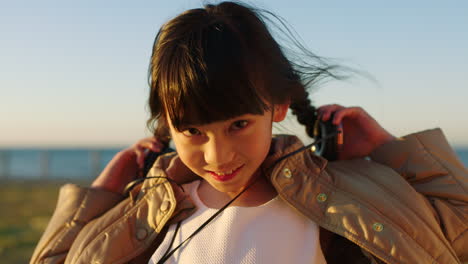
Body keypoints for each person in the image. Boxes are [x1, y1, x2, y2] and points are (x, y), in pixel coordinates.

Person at [31, 2, 467, 264]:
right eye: (193, 131)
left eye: (238, 125)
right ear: (167, 125)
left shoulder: (346, 197)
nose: (219, 156)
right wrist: (104, 191)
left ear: (277, 106)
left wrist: (386, 148)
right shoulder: (146, 213)